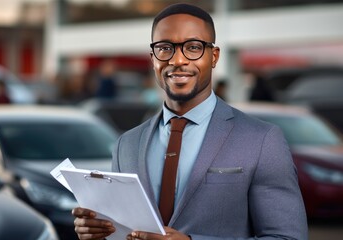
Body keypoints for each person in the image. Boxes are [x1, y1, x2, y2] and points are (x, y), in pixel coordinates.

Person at [72, 3, 307, 240]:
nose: (178, 60)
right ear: (153, 58)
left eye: (193, 47)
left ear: (213, 56)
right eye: (165, 48)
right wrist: (98, 233)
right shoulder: (127, 144)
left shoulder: (262, 140)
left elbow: (288, 237)